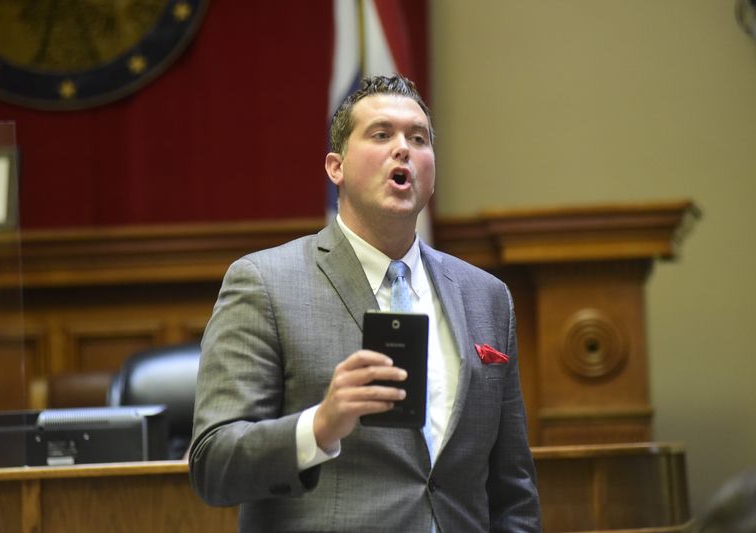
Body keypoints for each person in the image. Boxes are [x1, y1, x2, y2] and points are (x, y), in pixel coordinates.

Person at [189, 74, 541, 532]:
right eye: (381, 134)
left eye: (418, 138)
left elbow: (512, 487)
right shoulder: (265, 283)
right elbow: (213, 465)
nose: (403, 149)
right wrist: (319, 426)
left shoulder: (485, 296)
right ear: (336, 167)